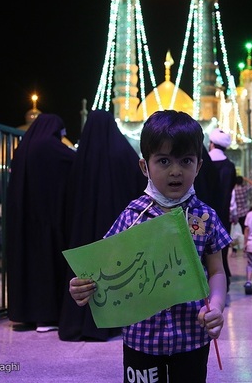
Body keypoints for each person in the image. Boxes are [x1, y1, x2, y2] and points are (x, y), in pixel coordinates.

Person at [69, 110, 230, 383]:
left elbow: (216, 271)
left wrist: (216, 306)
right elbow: (101, 269)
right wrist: (81, 286)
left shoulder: (205, 217)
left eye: (186, 160)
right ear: (145, 166)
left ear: (199, 166)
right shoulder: (132, 216)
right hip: (141, 340)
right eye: (164, 161)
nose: (175, 170)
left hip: (191, 337)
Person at [58, 109, 146, 342]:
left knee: (84, 276)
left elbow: (68, 197)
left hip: (83, 230)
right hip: (117, 231)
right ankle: (112, 322)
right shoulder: (124, 153)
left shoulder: (81, 158)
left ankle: (80, 322)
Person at [6, 114, 76, 332]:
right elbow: (75, 161)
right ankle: (45, 317)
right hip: (46, 218)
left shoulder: (24, 148)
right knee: (45, 265)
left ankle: (24, 314)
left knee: (26, 264)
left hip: (23, 220)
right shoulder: (49, 146)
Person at [208, 128, 236, 292]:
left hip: (204, 214)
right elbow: (231, 192)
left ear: (211, 144)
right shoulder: (230, 166)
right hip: (223, 213)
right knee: (222, 248)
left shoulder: (205, 163)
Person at [230, 175, 252, 257]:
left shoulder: (233, 190)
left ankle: (234, 251)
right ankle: (245, 250)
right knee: (245, 231)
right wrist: (245, 178)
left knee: (234, 232)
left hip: (235, 213)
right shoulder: (244, 189)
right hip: (244, 212)